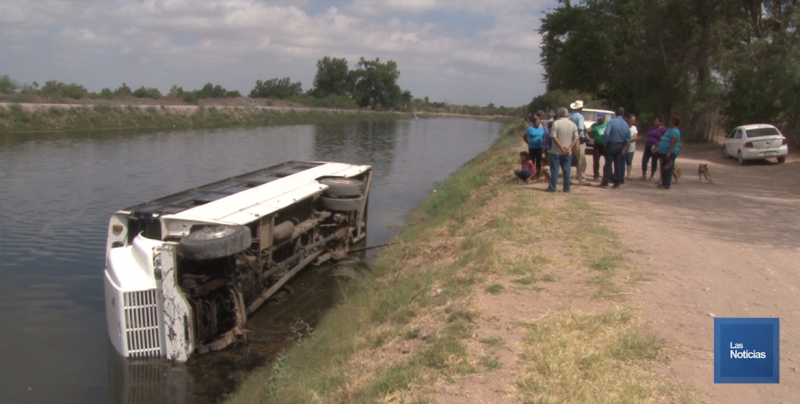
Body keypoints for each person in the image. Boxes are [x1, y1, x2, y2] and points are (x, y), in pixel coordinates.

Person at [547, 107, 579, 193]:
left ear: (559, 114)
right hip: (568, 152)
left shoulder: (556, 123)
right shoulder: (573, 124)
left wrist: (561, 146)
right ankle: (567, 188)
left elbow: (553, 136)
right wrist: (570, 147)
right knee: (567, 171)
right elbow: (576, 138)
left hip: (556, 151)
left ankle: (552, 187)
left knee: (555, 170)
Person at [598, 107, 631, 188]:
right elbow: (628, 137)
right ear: (623, 114)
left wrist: (605, 142)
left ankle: (605, 181)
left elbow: (607, 133)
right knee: (618, 164)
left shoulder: (611, 122)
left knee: (608, 163)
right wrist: (624, 146)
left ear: (615, 113)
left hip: (611, 144)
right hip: (620, 145)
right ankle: (617, 182)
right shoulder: (626, 124)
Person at [657, 115, 681, 190]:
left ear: (673, 122)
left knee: (668, 167)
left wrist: (669, 152)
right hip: (663, 152)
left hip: (670, 152)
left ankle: (666, 184)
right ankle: (663, 183)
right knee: (664, 167)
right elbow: (665, 138)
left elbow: (673, 142)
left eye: (671, 120)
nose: (669, 122)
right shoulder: (670, 129)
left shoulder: (675, 131)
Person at [568, 100, 587, 184]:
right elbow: (580, 128)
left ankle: (569, 177)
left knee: (570, 158)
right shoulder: (580, 117)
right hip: (577, 139)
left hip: (569, 139)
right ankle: (582, 179)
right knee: (581, 159)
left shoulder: (570, 116)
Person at [587, 113, 608, 180]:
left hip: (605, 145)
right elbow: (589, 130)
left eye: (600, 119)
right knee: (596, 161)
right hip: (597, 145)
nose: (599, 120)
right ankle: (596, 174)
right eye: (598, 119)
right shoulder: (595, 125)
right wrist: (584, 129)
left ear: (604, 118)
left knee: (608, 161)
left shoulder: (607, 125)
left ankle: (608, 175)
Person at [624, 114, 638, 182]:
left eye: (634, 120)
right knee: (622, 161)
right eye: (632, 120)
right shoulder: (625, 127)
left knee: (629, 162)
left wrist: (629, 140)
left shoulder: (634, 128)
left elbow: (635, 137)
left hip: (631, 148)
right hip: (624, 147)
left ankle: (628, 175)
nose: (633, 121)